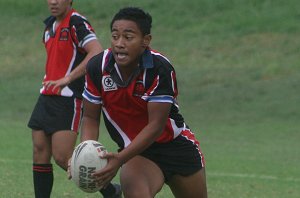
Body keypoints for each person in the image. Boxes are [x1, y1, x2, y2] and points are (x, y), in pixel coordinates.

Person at [78, 7, 208, 198]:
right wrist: (84, 154)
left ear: (145, 41)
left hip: (176, 147)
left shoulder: (159, 68)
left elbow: (155, 126)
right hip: (137, 153)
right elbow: (90, 117)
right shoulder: (97, 67)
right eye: (115, 36)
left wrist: (119, 159)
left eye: (128, 37)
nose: (119, 44)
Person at [28, 0, 121, 197]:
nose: (53, 1)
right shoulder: (49, 25)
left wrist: (68, 78)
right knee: (39, 151)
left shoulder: (76, 22)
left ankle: (110, 191)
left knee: (63, 157)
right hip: (46, 94)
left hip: (69, 97)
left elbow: (96, 51)